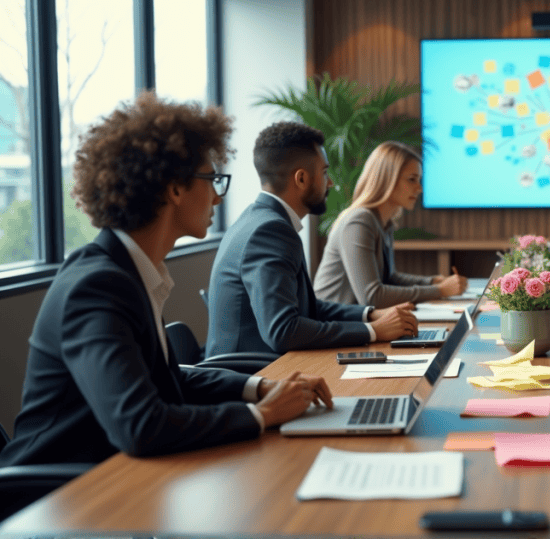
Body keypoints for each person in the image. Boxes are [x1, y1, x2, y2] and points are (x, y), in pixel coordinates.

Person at [0, 93, 331, 467]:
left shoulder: (129, 270)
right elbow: (141, 426)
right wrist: (264, 415)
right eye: (212, 180)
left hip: (107, 481)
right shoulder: (97, 286)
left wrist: (261, 387)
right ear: (175, 188)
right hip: (52, 502)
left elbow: (172, 380)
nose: (218, 199)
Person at [205, 122, 417, 358]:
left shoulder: (261, 220)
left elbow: (308, 308)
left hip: (273, 366)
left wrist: (369, 315)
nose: (330, 183)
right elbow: (283, 330)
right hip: (253, 374)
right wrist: (372, 331)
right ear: (302, 179)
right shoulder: (270, 231)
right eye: (325, 173)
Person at [313, 141, 467, 307]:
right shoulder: (358, 222)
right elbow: (372, 296)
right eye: (412, 180)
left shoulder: (384, 223)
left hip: (358, 324)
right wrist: (440, 291)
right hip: (334, 327)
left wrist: (432, 282)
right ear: (387, 179)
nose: (419, 188)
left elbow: (389, 278)